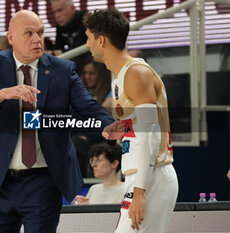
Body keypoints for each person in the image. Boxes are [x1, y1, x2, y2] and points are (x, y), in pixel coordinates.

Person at [0, 10, 113, 233]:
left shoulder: (62, 69)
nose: (36, 39)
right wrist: (2, 94)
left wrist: (108, 124)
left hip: (43, 180)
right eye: (29, 33)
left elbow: (88, 106)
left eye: (40, 32)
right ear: (11, 38)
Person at [83, 8, 178, 232]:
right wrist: (125, 127)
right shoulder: (120, 77)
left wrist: (140, 191)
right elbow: (143, 127)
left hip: (151, 176)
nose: (87, 45)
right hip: (142, 176)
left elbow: (151, 134)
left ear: (102, 40)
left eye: (88, 38)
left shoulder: (135, 73)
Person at [51, 0, 89, 74]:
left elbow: (79, 50)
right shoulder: (60, 25)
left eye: (60, 10)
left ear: (72, 8)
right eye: (54, 12)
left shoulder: (85, 19)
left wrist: (51, 53)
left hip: (90, 64)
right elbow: (58, 47)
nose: (57, 15)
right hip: (74, 66)